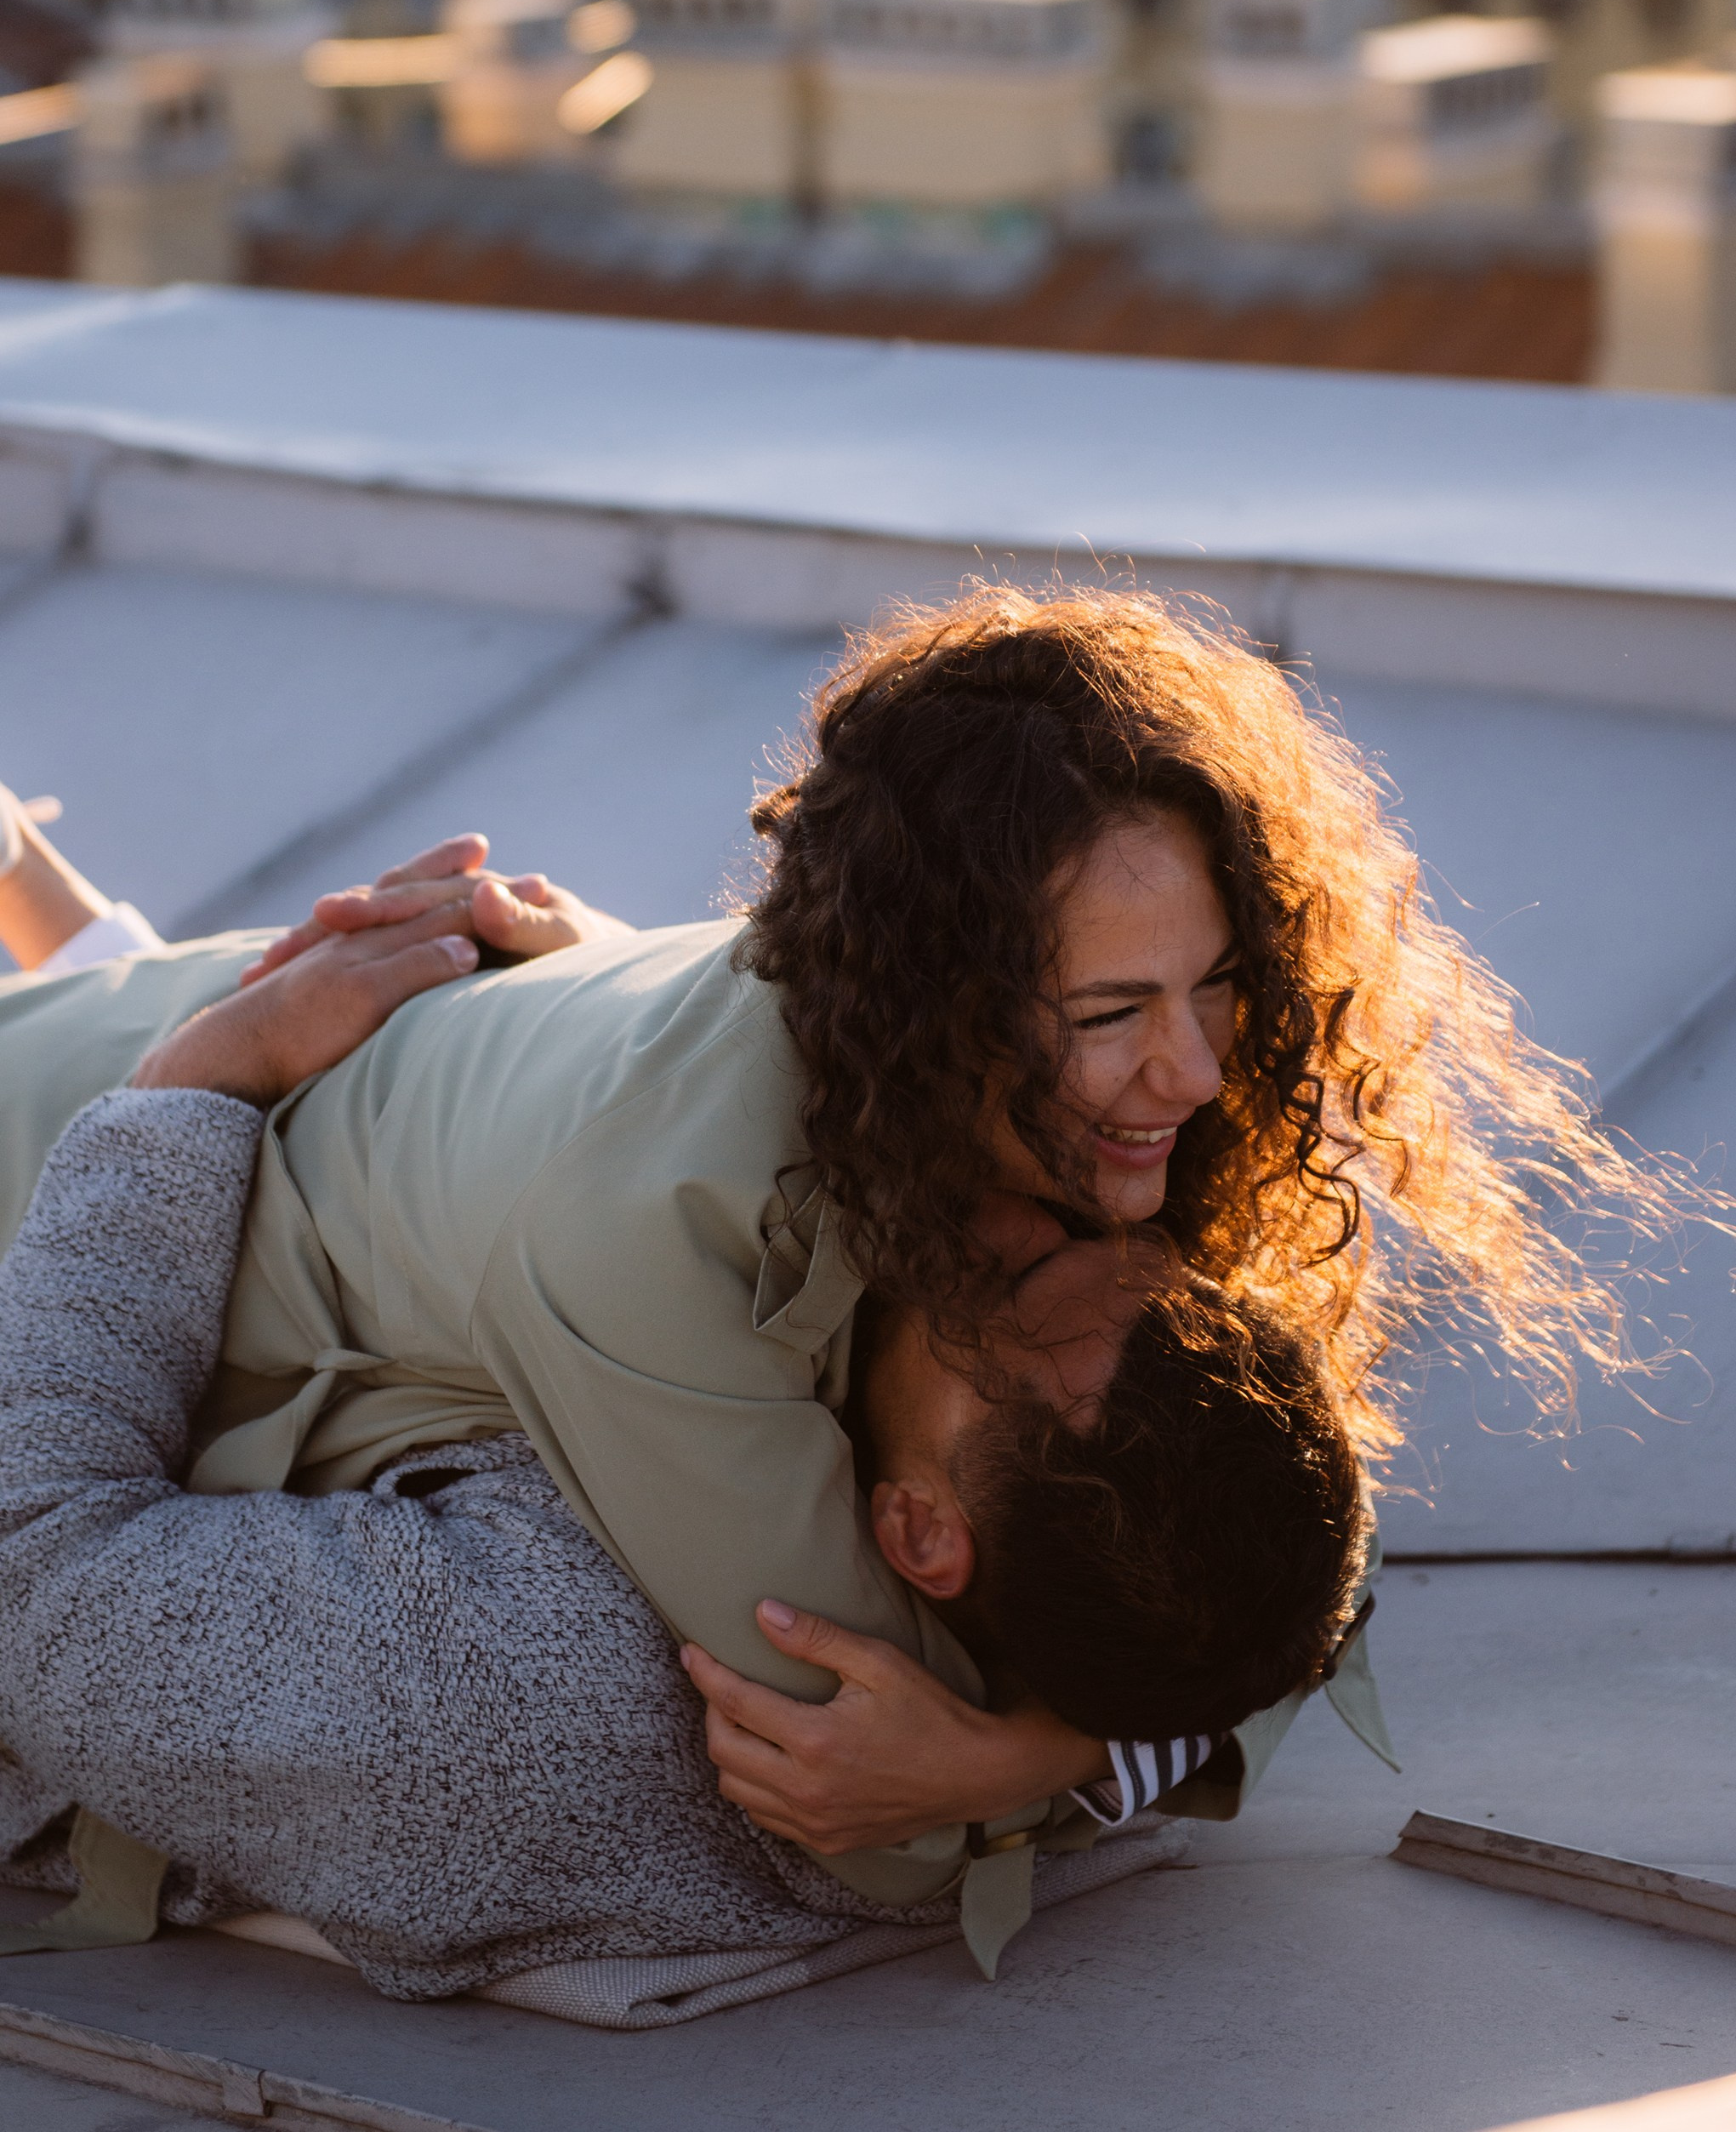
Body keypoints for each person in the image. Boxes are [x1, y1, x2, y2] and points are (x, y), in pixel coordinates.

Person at [0, 585, 1667, 1914]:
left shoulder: (1025, 1144)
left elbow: (1274, 1562)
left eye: (1214, 980)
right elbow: (842, 1780)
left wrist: (1032, 1744)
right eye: (1113, 1008)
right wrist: (1018, 1759)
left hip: (203, 1081)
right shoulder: (666, 1239)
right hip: (102, 1133)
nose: (1201, 1073)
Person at [0, 926, 1364, 1998]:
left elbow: (28, 1569)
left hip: (114, 1145)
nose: (1028, 1207)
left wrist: (194, 1085)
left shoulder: (537, 1689)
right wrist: (1030, 1756)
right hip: (327, 1067)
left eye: (1023, 1281)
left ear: (916, 1533)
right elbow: (1305, 1604)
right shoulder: (1120, 1590)